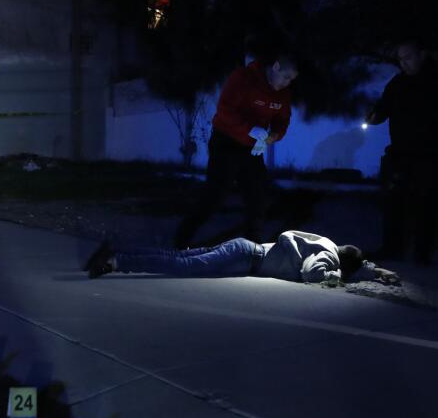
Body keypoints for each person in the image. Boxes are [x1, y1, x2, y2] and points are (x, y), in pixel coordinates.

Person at [172, 54, 299, 249]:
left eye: (291, 80)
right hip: (226, 142)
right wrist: (250, 129)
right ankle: (180, 242)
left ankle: (252, 247)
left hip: (251, 148)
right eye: (286, 77)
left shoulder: (282, 93)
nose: (287, 83)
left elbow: (283, 119)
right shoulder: (243, 78)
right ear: (275, 66)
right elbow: (225, 111)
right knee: (214, 196)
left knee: (258, 195)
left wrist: (272, 136)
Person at [365, 38, 438, 264]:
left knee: (426, 202)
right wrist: (375, 115)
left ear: (422, 54)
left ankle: (422, 252)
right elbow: (384, 107)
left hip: (430, 152)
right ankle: (392, 247)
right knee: (392, 201)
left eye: (408, 57)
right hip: (399, 152)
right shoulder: (398, 82)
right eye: (400, 59)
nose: (403, 63)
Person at [84, 231, 400, 286]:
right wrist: (336, 279)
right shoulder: (327, 260)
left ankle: (116, 250)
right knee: (183, 266)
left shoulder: (326, 243)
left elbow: (360, 265)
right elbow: (312, 275)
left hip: (244, 249)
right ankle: (116, 262)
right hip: (246, 258)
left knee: (179, 256)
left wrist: (377, 272)